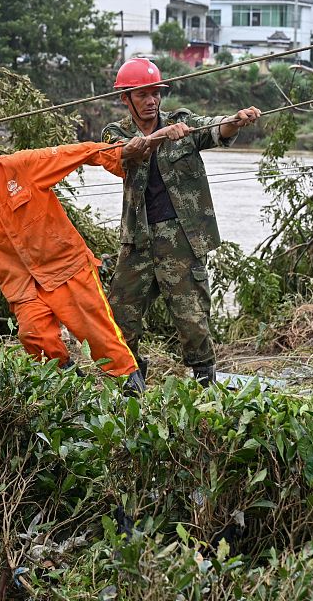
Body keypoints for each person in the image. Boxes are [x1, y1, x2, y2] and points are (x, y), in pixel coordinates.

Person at [0, 129, 146, 392]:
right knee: (33, 336)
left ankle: (133, 391)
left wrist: (119, 153)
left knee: (100, 337)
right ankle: (72, 388)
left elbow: (71, 153)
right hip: (23, 287)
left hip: (66, 268)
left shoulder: (22, 166)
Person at [101, 58, 261, 385]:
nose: (152, 101)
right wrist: (160, 135)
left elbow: (215, 128)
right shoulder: (115, 133)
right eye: (143, 95)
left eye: (156, 94)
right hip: (138, 240)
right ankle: (131, 380)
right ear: (126, 99)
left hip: (183, 239)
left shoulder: (183, 124)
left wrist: (236, 120)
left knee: (193, 319)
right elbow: (125, 154)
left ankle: (205, 385)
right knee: (119, 315)